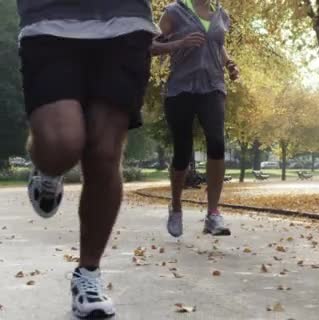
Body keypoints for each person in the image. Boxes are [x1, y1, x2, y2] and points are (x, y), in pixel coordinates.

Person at [17, 0, 156, 317]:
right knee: (62, 144)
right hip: (50, 19)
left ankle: (88, 274)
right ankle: (47, 168)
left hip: (125, 21)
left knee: (105, 153)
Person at [150, 0, 239, 238]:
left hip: (213, 86)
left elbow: (217, 46)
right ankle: (176, 206)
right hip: (181, 89)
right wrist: (180, 43)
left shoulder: (221, 14)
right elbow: (151, 45)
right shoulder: (174, 11)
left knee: (217, 143)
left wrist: (229, 63)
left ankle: (213, 214)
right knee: (182, 151)